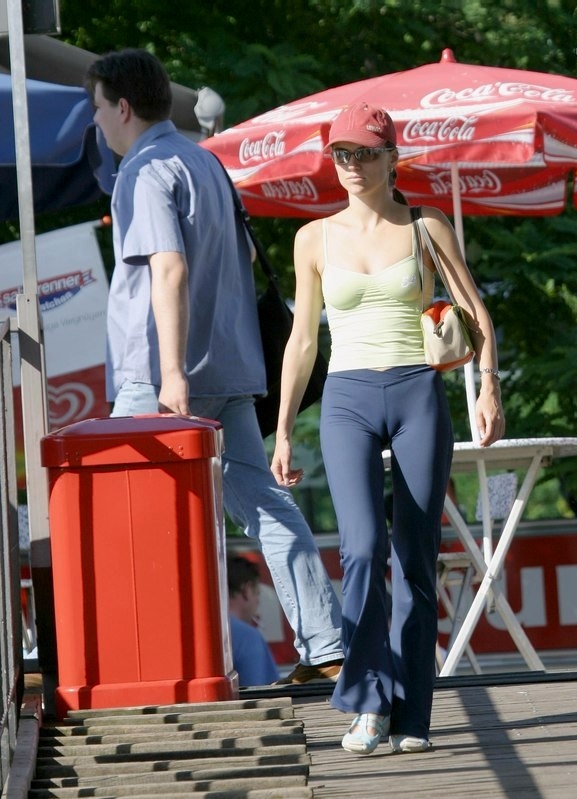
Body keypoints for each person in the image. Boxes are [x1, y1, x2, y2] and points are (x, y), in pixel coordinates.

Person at [85, 48, 343, 685]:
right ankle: (327, 644)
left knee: (131, 517)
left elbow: (168, 268)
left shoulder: (143, 171)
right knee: (266, 506)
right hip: (231, 363)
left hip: (161, 375)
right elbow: (245, 259)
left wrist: (172, 371)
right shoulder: (207, 162)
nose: (96, 122)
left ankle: (150, 665)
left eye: (97, 108)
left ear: (123, 107)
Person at [270, 101, 504, 755]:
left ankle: (412, 715)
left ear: (392, 157)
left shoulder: (426, 224)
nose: (352, 164)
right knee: (363, 547)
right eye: (341, 153)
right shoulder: (313, 239)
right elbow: (302, 341)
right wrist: (283, 429)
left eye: (365, 153)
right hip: (346, 397)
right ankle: (368, 702)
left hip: (416, 390)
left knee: (416, 554)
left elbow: (475, 311)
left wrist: (489, 384)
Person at [227, 554, 279, 686]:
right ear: (246, 590)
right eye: (257, 593)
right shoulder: (247, 637)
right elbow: (261, 692)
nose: (258, 601)